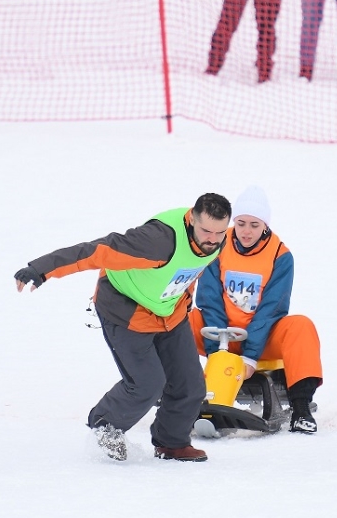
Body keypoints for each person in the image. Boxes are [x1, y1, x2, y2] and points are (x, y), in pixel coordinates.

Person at [15, 194, 233, 463]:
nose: (212, 239)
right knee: (146, 384)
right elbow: (97, 251)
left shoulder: (219, 240)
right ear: (191, 219)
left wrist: (184, 301)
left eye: (219, 232)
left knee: (190, 385)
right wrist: (41, 269)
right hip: (125, 310)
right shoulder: (157, 240)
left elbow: (188, 270)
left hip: (169, 312)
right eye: (206, 231)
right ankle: (105, 427)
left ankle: (171, 443)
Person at [190, 186, 323, 434]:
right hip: (218, 336)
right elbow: (209, 298)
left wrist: (250, 355)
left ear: (265, 225)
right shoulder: (217, 243)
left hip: (261, 339)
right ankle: (181, 391)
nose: (246, 231)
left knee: (301, 326)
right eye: (240, 223)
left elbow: (272, 309)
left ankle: (301, 409)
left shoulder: (280, 255)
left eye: (254, 224)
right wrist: (218, 349)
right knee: (181, 321)